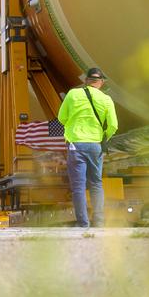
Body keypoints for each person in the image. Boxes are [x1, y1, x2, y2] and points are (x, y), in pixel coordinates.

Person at [57, 67, 119, 228]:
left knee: (78, 186)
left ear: (86, 80)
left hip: (76, 145)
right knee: (96, 184)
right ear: (101, 82)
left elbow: (61, 118)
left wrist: (74, 125)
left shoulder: (72, 94)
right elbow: (113, 125)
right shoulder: (106, 99)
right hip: (95, 146)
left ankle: (83, 223)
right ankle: (98, 221)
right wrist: (104, 137)